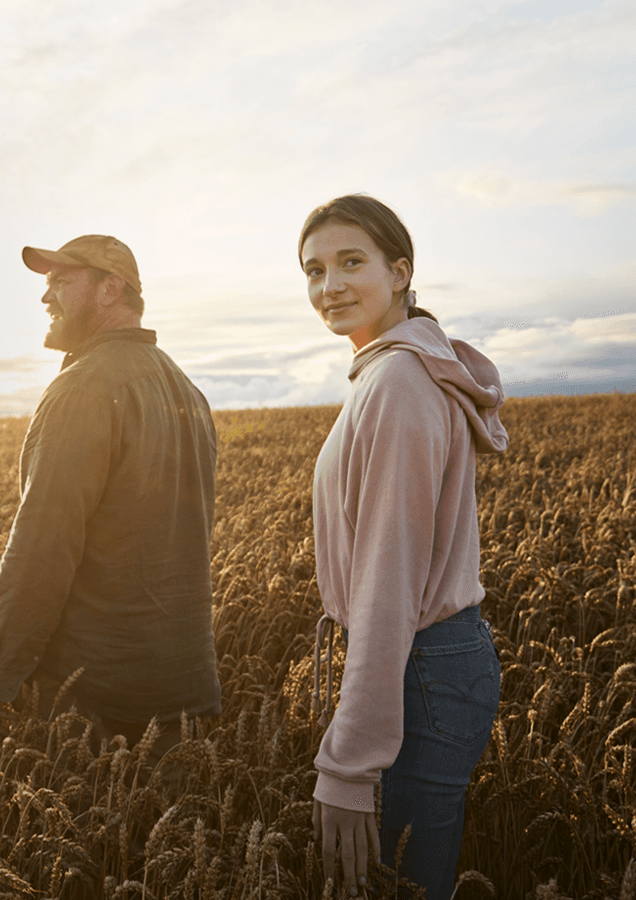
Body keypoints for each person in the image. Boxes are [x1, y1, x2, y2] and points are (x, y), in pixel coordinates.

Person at [299, 195, 509, 898]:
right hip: (431, 666)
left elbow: (387, 579)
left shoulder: (397, 382)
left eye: (350, 262)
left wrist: (348, 766)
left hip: (419, 668)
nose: (329, 286)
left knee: (400, 887)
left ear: (400, 270)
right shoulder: (395, 369)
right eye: (314, 269)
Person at [0, 234, 222, 762]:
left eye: (62, 281)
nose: (47, 298)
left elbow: (44, 542)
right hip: (182, 693)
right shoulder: (189, 393)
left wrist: (3, 667)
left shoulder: (83, 388)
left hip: (98, 702)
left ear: (111, 289)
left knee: (95, 842)